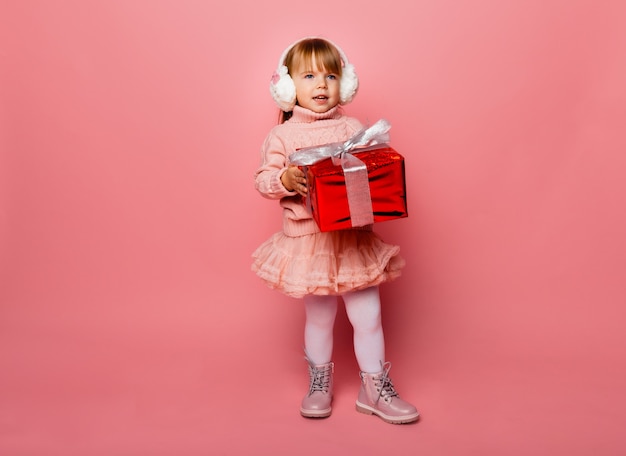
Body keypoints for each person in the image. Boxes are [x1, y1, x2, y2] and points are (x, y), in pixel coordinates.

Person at [252, 37, 419, 424]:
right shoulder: (283, 136)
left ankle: (374, 387)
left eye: (330, 75)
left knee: (369, 315)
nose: (322, 85)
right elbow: (262, 180)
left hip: (352, 240)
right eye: (308, 76)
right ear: (288, 86)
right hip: (311, 245)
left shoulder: (355, 127)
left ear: (344, 84)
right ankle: (319, 382)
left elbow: (370, 172)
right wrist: (286, 177)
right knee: (321, 316)